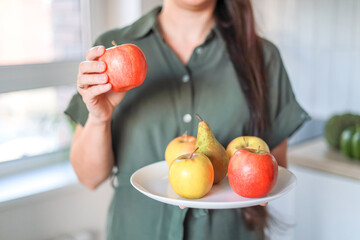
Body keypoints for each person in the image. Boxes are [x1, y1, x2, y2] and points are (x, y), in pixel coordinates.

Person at [65, 0, 309, 239]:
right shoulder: (109, 52)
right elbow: (89, 177)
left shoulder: (263, 57)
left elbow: (274, 171)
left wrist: (223, 189)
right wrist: (99, 118)